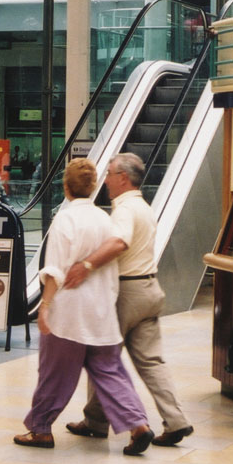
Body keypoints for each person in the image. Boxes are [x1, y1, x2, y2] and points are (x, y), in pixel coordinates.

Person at [14, 158, 155, 456]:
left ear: (66, 187)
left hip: (68, 313)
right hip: (102, 311)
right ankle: (138, 424)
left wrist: (45, 306)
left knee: (54, 374)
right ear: (92, 188)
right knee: (110, 372)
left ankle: (39, 429)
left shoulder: (64, 220)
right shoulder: (106, 219)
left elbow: (54, 270)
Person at [64, 152, 193, 447]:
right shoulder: (144, 207)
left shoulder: (123, 209)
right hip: (150, 289)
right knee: (152, 361)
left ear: (123, 178)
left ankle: (110, 423)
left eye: (109, 173)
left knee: (101, 358)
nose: (105, 180)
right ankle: (176, 421)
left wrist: (86, 265)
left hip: (126, 292)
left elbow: (119, 242)